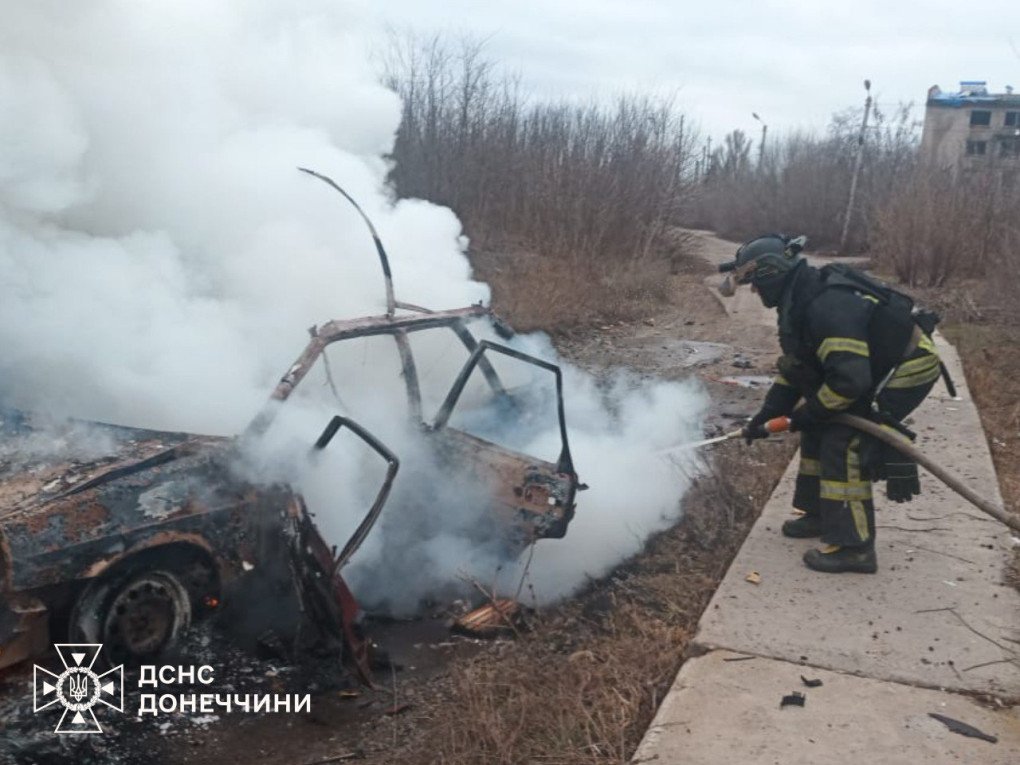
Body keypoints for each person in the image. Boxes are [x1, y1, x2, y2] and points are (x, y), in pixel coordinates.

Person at [718, 234, 944, 574]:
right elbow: (799, 371)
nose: (753, 291)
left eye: (754, 284)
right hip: (865, 368)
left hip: (909, 366)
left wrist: (807, 414)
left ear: (771, 276)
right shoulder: (798, 301)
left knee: (844, 439)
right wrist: (765, 417)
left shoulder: (825, 306)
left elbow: (850, 382)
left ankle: (854, 548)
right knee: (819, 427)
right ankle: (820, 514)